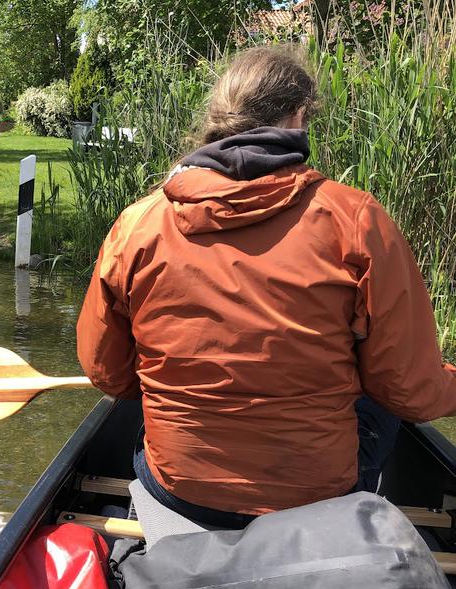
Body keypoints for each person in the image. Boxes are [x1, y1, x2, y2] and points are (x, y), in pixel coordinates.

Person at [76, 47, 456, 529]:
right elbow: (410, 391)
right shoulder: (355, 220)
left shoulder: (138, 224)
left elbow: (106, 372)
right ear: (298, 115)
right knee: (379, 389)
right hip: (315, 495)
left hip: (181, 489)